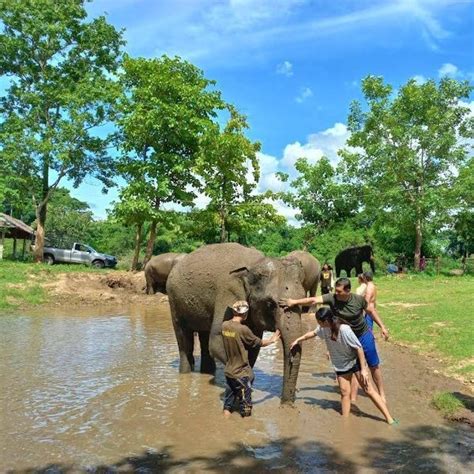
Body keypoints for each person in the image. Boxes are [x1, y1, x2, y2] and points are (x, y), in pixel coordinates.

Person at [280, 277, 389, 403]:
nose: (336, 293)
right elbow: (314, 300)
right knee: (354, 366)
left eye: (339, 291)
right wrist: (294, 302)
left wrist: (383, 327)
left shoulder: (358, 300)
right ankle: (352, 399)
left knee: (373, 365)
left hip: (362, 335)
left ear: (348, 290)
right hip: (346, 337)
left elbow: (371, 311)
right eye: (336, 291)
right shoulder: (332, 298)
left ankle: (382, 394)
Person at [290, 307, 397, 424]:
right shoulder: (323, 328)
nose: (318, 324)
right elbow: (312, 334)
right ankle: (345, 423)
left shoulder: (344, 329)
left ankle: (389, 418)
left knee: (368, 390)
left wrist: (364, 370)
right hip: (341, 365)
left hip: (354, 361)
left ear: (325, 321)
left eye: (318, 321)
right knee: (345, 393)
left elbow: (358, 347)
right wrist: (298, 340)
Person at [222, 300, 280, 418]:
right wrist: (272, 340)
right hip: (241, 375)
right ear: (245, 314)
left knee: (227, 406)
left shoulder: (224, 325)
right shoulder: (243, 329)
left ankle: (225, 424)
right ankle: (245, 431)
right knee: (246, 409)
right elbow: (259, 342)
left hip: (229, 372)